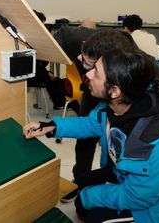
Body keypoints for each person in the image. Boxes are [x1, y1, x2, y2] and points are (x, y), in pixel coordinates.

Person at [23, 35, 159, 222]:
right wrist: (51, 126)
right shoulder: (120, 103)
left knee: (94, 214)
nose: (87, 74)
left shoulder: (155, 142)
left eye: (95, 72)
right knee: (82, 185)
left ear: (114, 91)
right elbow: (91, 123)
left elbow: (138, 197)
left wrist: (90, 196)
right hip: (131, 176)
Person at [59, 29, 138, 203]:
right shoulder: (80, 39)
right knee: (86, 139)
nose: (79, 60)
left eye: (91, 66)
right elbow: (88, 125)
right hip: (95, 93)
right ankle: (82, 179)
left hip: (140, 190)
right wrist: (53, 126)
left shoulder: (135, 76)